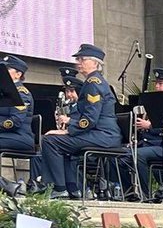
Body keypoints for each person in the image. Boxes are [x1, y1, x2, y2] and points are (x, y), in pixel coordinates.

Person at [42, 44, 121, 199]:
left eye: (82, 59)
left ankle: (60, 188)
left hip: (102, 135)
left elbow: (90, 119)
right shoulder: (93, 82)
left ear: (95, 63)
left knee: (50, 141)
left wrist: (68, 130)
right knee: (59, 142)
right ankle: (72, 188)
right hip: (101, 134)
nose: (78, 62)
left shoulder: (93, 84)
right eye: (78, 59)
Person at [124, 66, 163, 201]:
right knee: (122, 156)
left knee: (138, 155)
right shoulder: (154, 103)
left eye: (161, 84)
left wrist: (150, 126)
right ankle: (129, 192)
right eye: (157, 83)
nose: (157, 87)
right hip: (150, 145)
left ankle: (144, 193)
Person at [0, 55, 34, 196]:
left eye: (7, 70)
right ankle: (7, 185)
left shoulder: (21, 93)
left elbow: (14, 121)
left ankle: (7, 186)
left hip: (20, 137)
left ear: (18, 74)